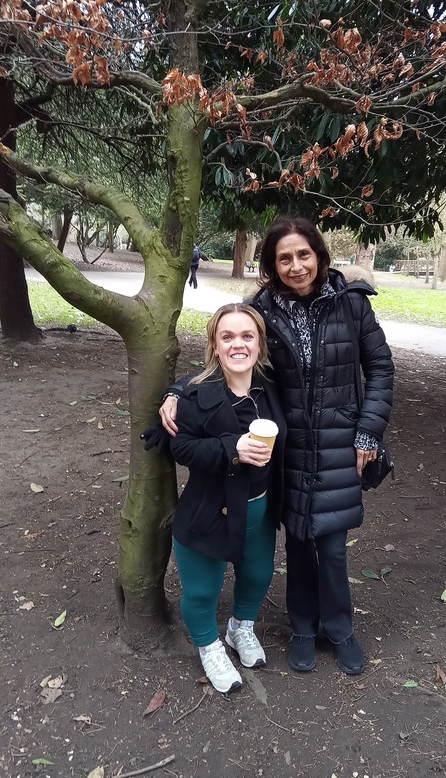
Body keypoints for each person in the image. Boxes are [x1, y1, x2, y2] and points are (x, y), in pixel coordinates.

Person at [161, 217, 394, 676]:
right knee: (300, 541)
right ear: (271, 265)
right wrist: (178, 390)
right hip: (286, 445)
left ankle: (340, 628)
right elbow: (231, 349)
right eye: (284, 258)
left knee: (333, 545)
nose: (296, 265)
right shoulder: (263, 309)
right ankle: (303, 628)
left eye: (303, 254)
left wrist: (369, 430)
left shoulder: (352, 305)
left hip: (337, 443)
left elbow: (381, 368)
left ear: (320, 256)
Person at [165, 303, 286, 694]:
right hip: (209, 511)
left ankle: (239, 628)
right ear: (214, 346)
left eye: (247, 336)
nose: (238, 344)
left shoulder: (271, 388)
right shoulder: (196, 395)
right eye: (227, 337)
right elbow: (178, 448)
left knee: (258, 575)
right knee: (202, 590)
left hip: (260, 509)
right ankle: (208, 645)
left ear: (260, 344)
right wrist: (231, 447)